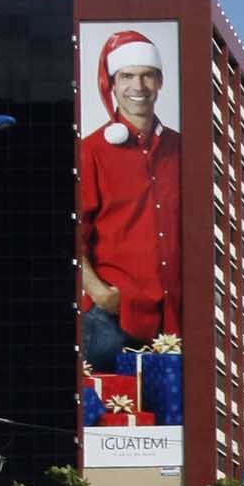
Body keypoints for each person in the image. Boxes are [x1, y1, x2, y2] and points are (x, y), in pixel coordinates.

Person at [77, 29, 184, 372]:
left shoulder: (183, 149)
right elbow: (73, 232)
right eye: (127, 76)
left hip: (174, 320)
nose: (137, 86)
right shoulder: (91, 151)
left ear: (160, 81)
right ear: (112, 83)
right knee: (105, 421)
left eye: (146, 76)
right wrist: (100, 293)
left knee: (176, 421)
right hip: (113, 319)